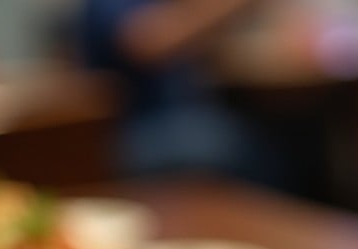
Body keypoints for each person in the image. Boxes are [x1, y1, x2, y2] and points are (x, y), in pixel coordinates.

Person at [75, 0, 287, 186]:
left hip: (182, 118)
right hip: (131, 129)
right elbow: (149, 42)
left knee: (266, 136)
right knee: (227, 144)